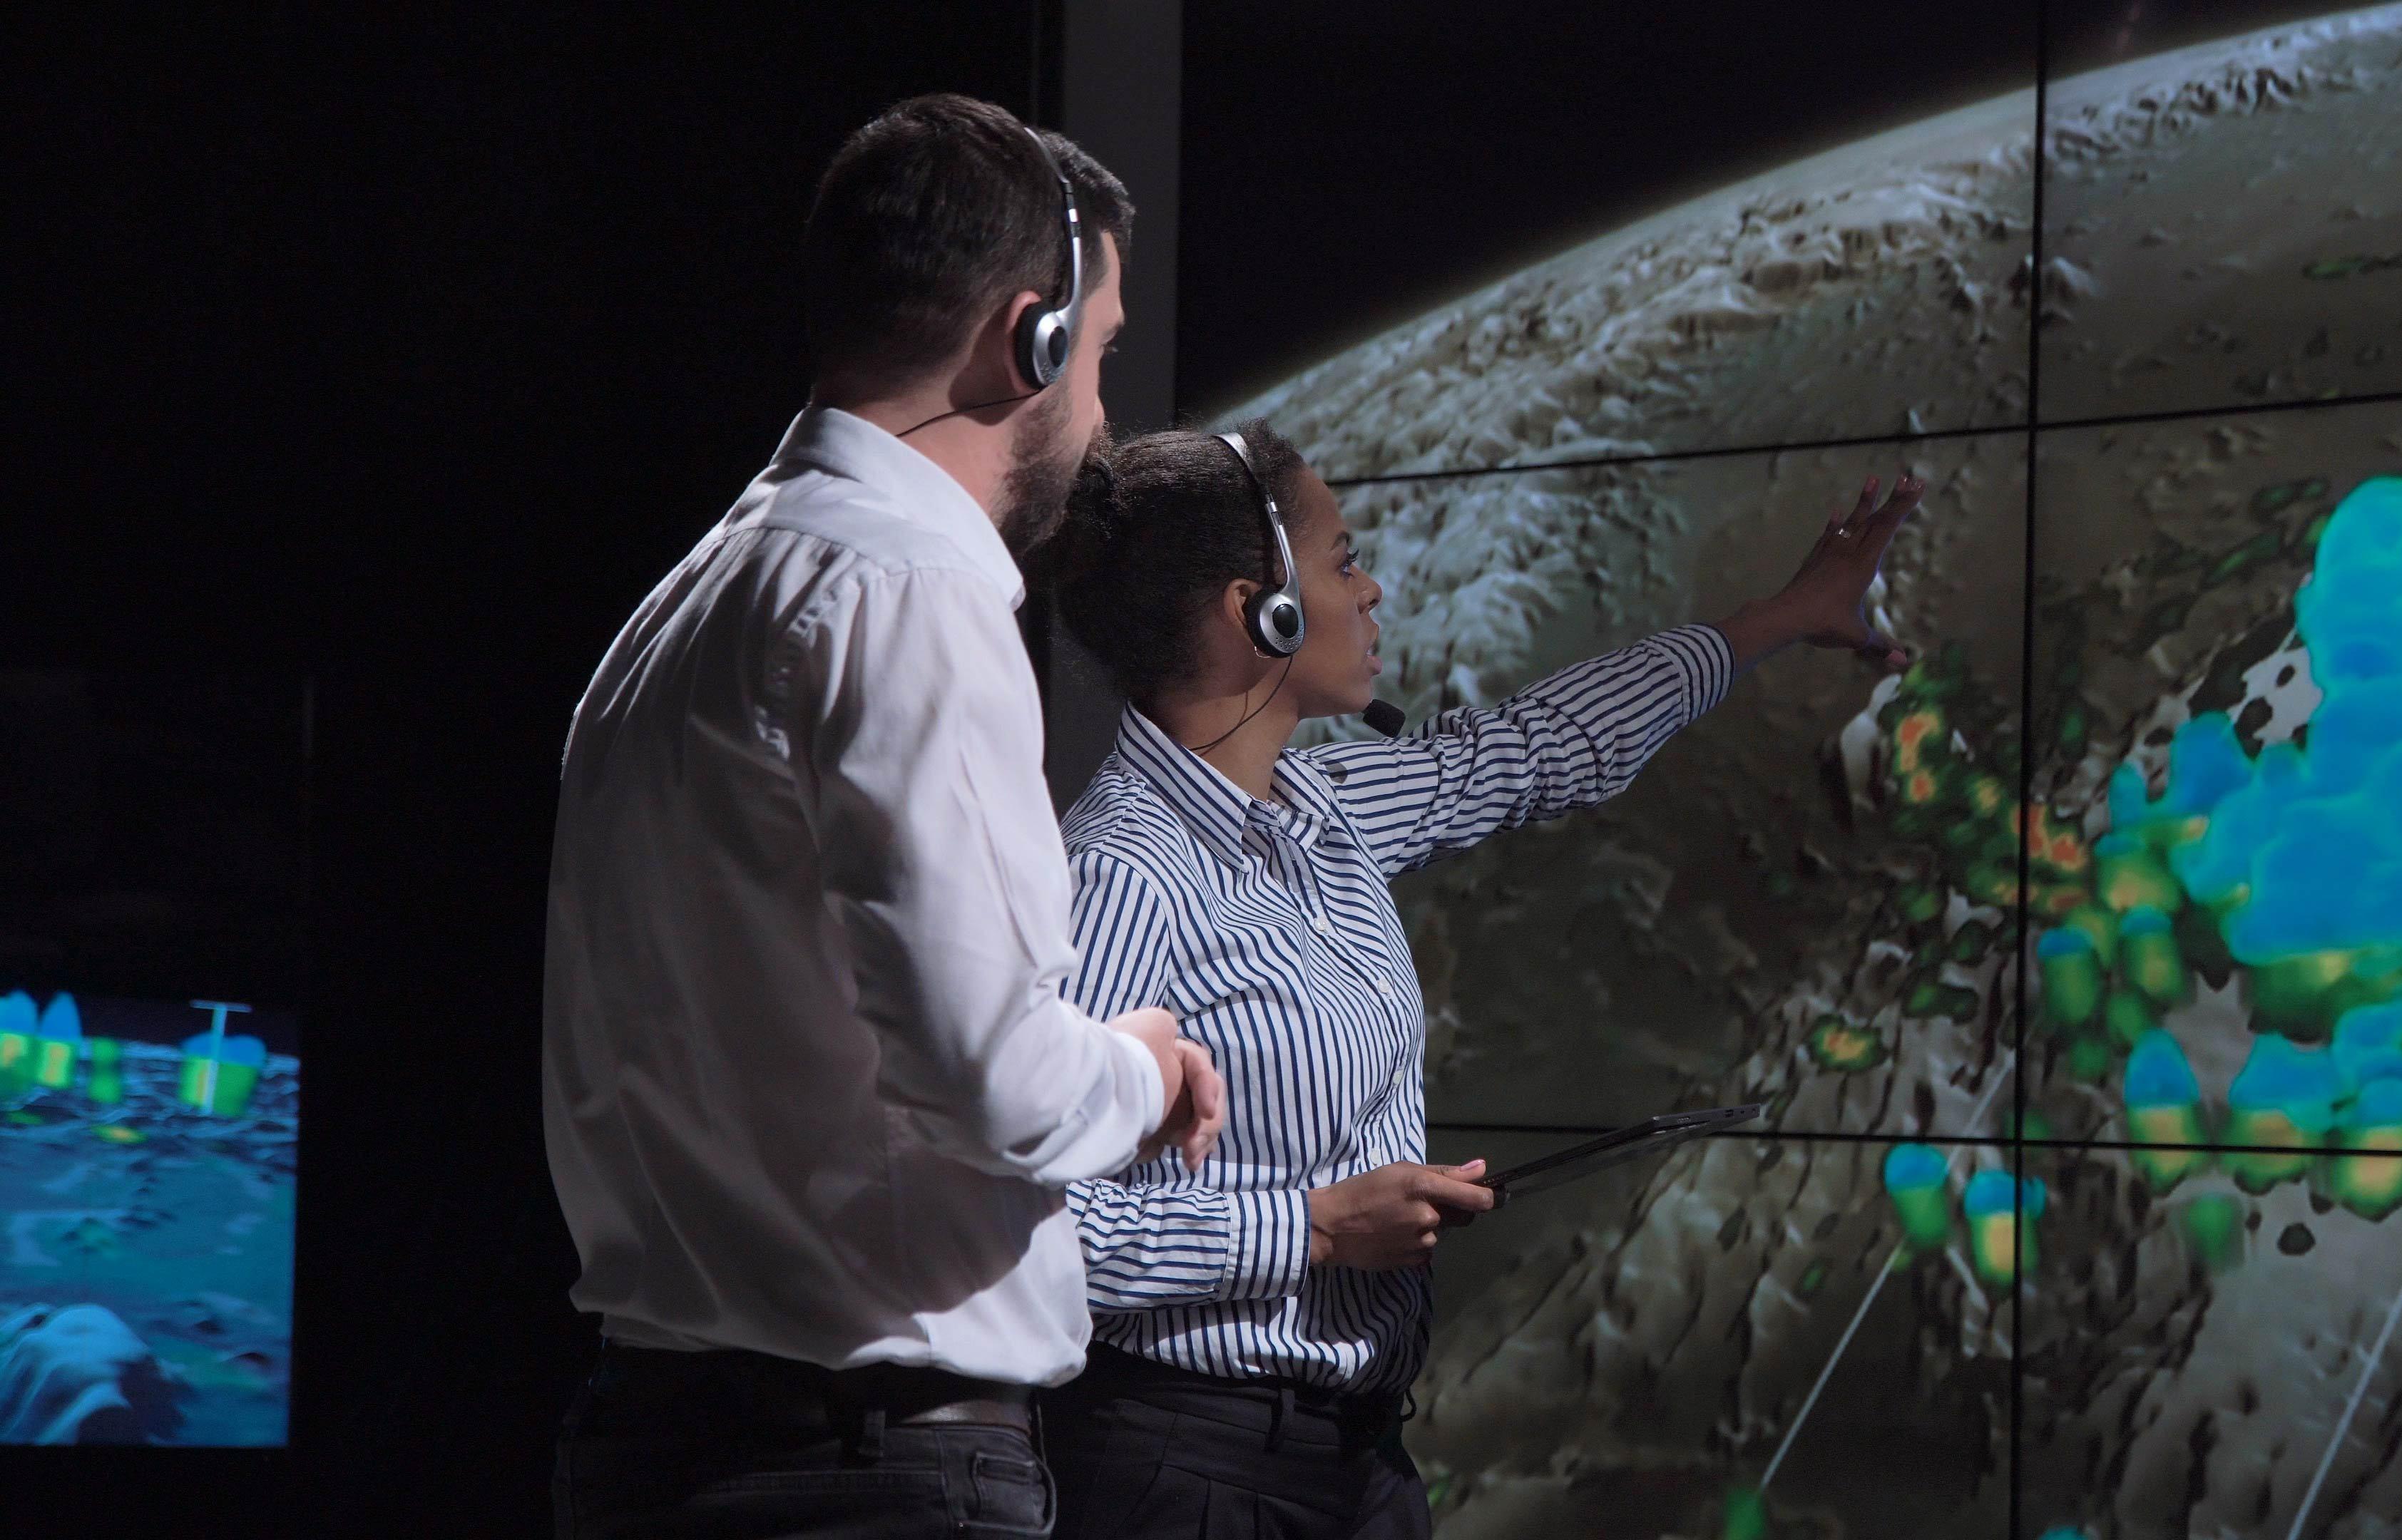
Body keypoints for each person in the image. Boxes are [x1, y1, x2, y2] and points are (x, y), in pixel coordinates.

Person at [1033, 422, 1919, 1538]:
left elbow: (1536, 748)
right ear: (1256, 610)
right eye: (1345, 560)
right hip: (1190, 1471)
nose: (1375, 589)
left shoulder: (1324, 812)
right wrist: (1309, 1230)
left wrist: (1780, 621)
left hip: (1353, 1461)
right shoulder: (1120, 870)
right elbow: (1047, 1228)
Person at [542, 94, 1224, 1540]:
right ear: (1025, 338)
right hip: (864, 1481)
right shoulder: (908, 595)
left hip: (656, 1454)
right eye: (1096, 359)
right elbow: (994, 1079)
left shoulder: (680, 610)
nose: (1101, 414)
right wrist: (1146, 1073)